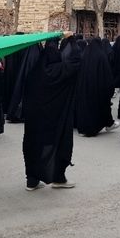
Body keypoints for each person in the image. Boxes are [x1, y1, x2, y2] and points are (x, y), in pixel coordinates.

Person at [22, 32, 80, 191]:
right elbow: (76, 60)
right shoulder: (62, 69)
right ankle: (58, 178)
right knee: (59, 145)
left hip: (35, 119)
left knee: (33, 145)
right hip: (57, 119)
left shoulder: (34, 70)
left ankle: (32, 180)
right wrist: (71, 39)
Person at [74, 38, 118, 137]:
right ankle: (95, 127)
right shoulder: (101, 56)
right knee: (97, 107)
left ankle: (83, 128)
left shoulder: (84, 54)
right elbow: (106, 75)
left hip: (84, 88)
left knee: (85, 108)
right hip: (97, 88)